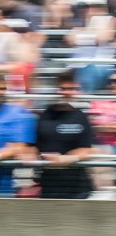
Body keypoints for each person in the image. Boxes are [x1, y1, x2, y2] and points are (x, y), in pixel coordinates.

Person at [32, 71, 96, 199]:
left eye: (70, 89)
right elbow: (33, 146)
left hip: (77, 187)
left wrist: (65, 159)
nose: (66, 92)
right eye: (62, 88)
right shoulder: (44, 116)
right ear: (55, 89)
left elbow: (86, 149)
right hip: (49, 184)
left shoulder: (81, 117)